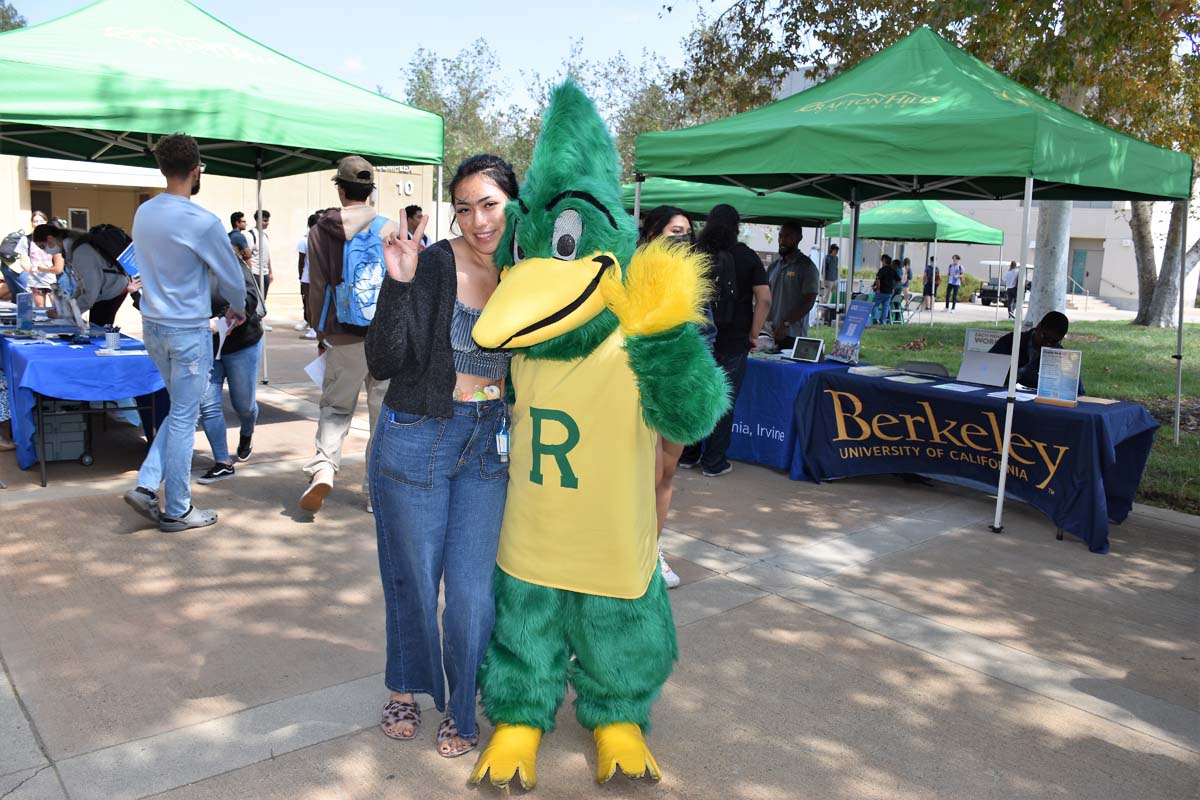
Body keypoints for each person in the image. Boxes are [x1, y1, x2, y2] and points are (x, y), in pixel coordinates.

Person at [364, 154, 516, 758]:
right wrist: (398, 284)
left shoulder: (527, 271)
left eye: (490, 204)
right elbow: (384, 360)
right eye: (465, 208)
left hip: (489, 443)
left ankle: (461, 706)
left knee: (474, 594)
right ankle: (404, 687)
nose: (478, 221)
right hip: (420, 434)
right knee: (415, 577)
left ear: (513, 203)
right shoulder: (433, 263)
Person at [122, 133, 247, 532]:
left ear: (162, 168)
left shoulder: (144, 213)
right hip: (187, 330)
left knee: (179, 411)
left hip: (154, 326)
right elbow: (232, 278)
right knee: (182, 418)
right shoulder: (202, 221)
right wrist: (237, 308)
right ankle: (177, 507)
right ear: (196, 170)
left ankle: (146, 485)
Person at [300, 158, 394, 514]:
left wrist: (319, 330)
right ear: (370, 191)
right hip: (384, 336)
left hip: (342, 334)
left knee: (336, 408)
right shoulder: (389, 229)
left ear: (340, 189)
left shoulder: (320, 231)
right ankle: (374, 493)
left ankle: (324, 467)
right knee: (381, 416)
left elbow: (317, 287)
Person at [679, 203, 771, 478]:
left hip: (698, 339)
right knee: (723, 399)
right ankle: (714, 461)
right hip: (735, 340)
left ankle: (687, 455)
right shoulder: (747, 256)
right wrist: (754, 334)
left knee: (695, 395)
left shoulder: (694, 253)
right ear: (736, 227)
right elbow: (764, 299)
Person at [637, 204, 694, 590]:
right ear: (652, 234)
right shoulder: (632, 273)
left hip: (679, 381)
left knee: (668, 473)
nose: (682, 239)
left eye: (687, 233)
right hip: (643, 383)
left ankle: (653, 549)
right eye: (675, 232)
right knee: (650, 473)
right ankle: (637, 552)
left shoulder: (691, 276)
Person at [196, 255, 264, 484]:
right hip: (206, 348)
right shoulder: (183, 267)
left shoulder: (230, 262)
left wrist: (223, 319)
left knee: (243, 405)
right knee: (208, 405)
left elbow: (250, 298)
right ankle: (223, 462)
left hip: (241, 344)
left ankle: (247, 432)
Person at [31, 222, 141, 327]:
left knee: (99, 329)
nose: (44, 251)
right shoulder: (74, 248)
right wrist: (69, 307)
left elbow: (90, 292)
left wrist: (66, 313)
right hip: (109, 287)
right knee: (97, 325)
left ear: (50, 239)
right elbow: (82, 283)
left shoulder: (81, 252)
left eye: (42, 246)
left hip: (112, 289)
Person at [988, 311, 1081, 392]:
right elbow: (988, 367)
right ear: (1039, 327)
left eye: (1054, 341)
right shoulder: (1012, 341)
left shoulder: (1059, 354)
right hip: (1000, 392)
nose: (1048, 343)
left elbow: (1077, 389)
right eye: (1045, 336)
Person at [767, 221, 820, 346]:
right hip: (770, 332)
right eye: (780, 236)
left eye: (788, 236)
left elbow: (809, 301)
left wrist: (786, 323)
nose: (782, 240)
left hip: (793, 335)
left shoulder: (807, 267)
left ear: (799, 238)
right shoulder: (773, 266)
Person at [17, 211, 61, 307]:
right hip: (36, 280)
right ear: (32, 223)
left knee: (58, 307)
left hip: (53, 278)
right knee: (40, 308)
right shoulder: (26, 239)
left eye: (41, 221)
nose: (38, 223)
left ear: (46, 222)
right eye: (35, 221)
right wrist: (31, 269)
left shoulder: (53, 239)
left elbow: (59, 260)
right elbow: (23, 260)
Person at [294, 212, 319, 339]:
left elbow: (301, 262)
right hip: (313, 277)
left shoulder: (306, 239)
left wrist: (301, 276)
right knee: (313, 304)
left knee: (310, 304)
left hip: (309, 277)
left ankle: (314, 329)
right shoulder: (318, 239)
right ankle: (314, 328)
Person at [246, 210, 273, 329]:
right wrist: (250, 272)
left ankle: (259, 321)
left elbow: (267, 255)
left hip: (265, 272)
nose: (267, 223)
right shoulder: (251, 235)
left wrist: (270, 271)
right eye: (265, 220)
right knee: (255, 300)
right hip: (255, 272)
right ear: (258, 220)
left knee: (263, 299)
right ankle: (254, 323)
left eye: (268, 221)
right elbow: (247, 255)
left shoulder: (265, 236)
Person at [870, 253, 899, 325]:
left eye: (882, 261)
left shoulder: (882, 270)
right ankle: (883, 322)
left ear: (884, 261)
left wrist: (878, 288)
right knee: (885, 307)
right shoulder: (893, 270)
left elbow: (877, 279)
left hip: (881, 292)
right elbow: (899, 280)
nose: (881, 262)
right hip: (889, 292)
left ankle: (876, 319)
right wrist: (893, 288)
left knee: (874, 305)